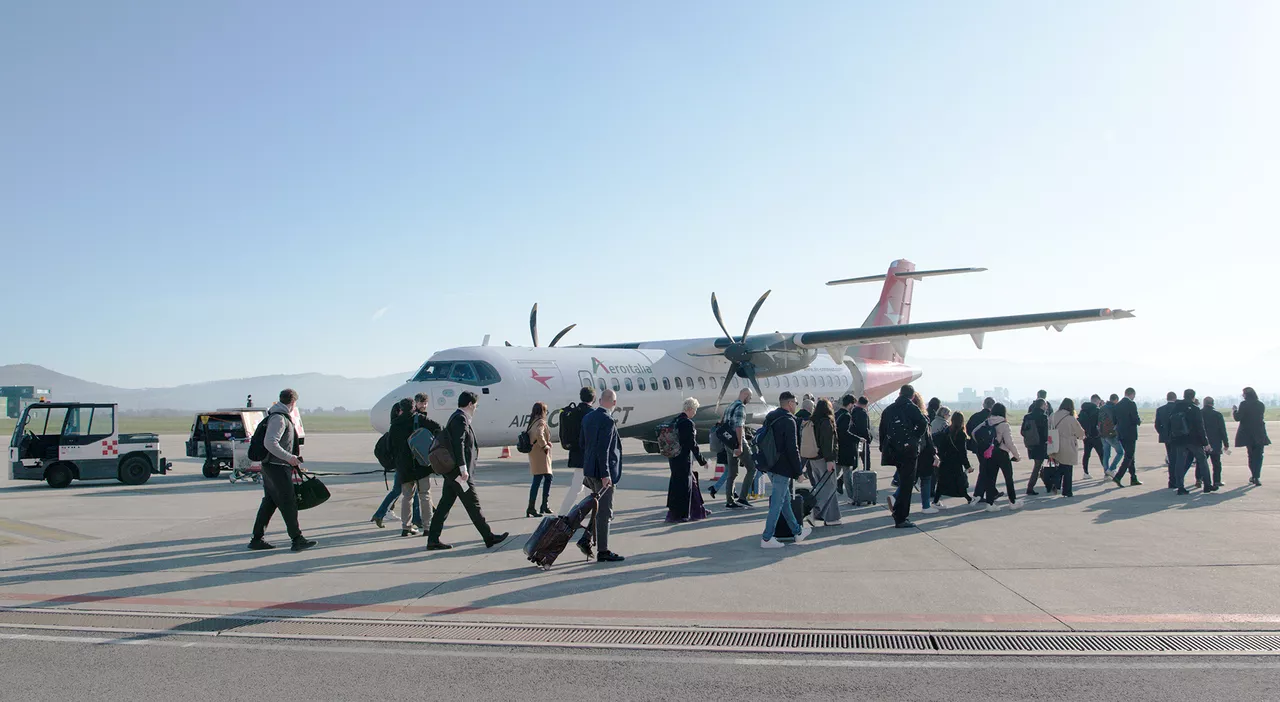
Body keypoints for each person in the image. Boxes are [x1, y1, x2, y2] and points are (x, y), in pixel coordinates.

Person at [425, 392, 508, 551]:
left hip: (453, 473)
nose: (476, 408)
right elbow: (459, 444)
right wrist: (463, 469)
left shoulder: (458, 418)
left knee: (445, 504)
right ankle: (488, 537)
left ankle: (433, 539)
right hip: (459, 474)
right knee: (472, 503)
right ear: (470, 404)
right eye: (475, 405)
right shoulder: (460, 419)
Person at [248, 389, 316, 552]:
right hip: (277, 467)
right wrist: (289, 458)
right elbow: (270, 443)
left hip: (272, 467)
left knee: (270, 502)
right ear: (293, 402)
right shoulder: (279, 418)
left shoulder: (276, 415)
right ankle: (296, 539)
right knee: (288, 502)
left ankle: (257, 538)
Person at [760, 392, 812, 548]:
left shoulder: (771, 417)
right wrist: (799, 472)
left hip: (770, 465)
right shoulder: (789, 421)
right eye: (795, 402)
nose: (796, 405)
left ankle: (797, 531)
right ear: (790, 403)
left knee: (785, 501)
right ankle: (767, 538)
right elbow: (792, 448)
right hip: (782, 468)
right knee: (777, 503)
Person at [580, 388, 624, 561]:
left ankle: (587, 539)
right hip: (602, 473)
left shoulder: (588, 417)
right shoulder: (608, 420)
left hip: (590, 470)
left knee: (596, 509)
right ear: (613, 403)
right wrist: (606, 474)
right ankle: (603, 551)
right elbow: (604, 449)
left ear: (599, 400)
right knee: (605, 512)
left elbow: (583, 444)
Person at [880, 384, 930, 528]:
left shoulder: (889, 409)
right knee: (907, 483)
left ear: (900, 393)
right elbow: (923, 423)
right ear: (912, 396)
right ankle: (901, 517)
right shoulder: (911, 408)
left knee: (903, 481)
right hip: (908, 451)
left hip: (893, 451)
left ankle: (898, 512)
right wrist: (914, 438)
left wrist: (884, 447)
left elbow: (883, 430)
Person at [371, 401, 422, 529]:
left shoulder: (394, 426)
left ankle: (379, 514)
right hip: (405, 465)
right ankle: (416, 519)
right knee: (412, 492)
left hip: (401, 465)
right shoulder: (400, 426)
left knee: (397, 491)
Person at [391, 397, 438, 537]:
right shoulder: (421, 419)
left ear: (401, 409)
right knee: (425, 495)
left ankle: (406, 527)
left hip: (404, 467)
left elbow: (391, 446)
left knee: (407, 497)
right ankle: (428, 527)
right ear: (414, 407)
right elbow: (438, 428)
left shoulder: (395, 424)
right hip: (421, 464)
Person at [667, 397, 709, 522]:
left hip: (673, 457)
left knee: (676, 484)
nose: (695, 413)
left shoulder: (675, 420)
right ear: (690, 409)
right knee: (685, 487)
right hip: (683, 459)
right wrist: (703, 461)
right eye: (695, 410)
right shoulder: (687, 423)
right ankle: (683, 514)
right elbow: (692, 444)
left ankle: (693, 510)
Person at [975, 403, 1023, 512]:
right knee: (1008, 478)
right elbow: (1009, 443)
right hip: (1002, 453)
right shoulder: (1004, 424)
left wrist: (985, 444)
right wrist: (1017, 456)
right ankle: (1013, 502)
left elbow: (974, 432)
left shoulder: (987, 421)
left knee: (991, 479)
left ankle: (990, 504)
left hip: (990, 453)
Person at [709, 388, 751, 509]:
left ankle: (730, 500)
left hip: (728, 443)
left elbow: (722, 422)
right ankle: (743, 497)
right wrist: (740, 445)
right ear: (746, 395)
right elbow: (739, 426)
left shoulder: (730, 406)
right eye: (750, 397)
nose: (750, 399)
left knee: (732, 472)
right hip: (737, 441)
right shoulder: (740, 407)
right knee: (752, 468)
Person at [557, 386, 596, 515]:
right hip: (589, 456)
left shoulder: (573, 412)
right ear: (593, 398)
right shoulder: (592, 414)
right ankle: (589, 515)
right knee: (588, 488)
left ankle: (563, 513)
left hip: (576, 455)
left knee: (577, 487)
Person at [1168, 389, 1215, 495]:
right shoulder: (1194, 408)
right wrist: (1205, 442)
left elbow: (1170, 422)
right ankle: (1207, 485)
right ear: (1193, 397)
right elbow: (1200, 427)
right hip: (1194, 440)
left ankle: (1180, 486)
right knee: (1202, 460)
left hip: (1180, 439)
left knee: (1180, 463)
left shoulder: (1176, 407)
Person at [804, 398, 842, 526]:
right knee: (830, 486)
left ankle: (832, 518)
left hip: (813, 458)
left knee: (822, 485)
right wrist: (830, 460)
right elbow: (827, 444)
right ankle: (812, 509)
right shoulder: (826, 422)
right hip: (824, 459)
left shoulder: (812, 422)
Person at [933, 410, 973, 505]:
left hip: (945, 461)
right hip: (956, 462)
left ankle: (935, 501)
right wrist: (967, 466)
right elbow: (962, 452)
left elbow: (941, 447)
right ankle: (969, 499)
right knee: (960, 483)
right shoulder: (961, 434)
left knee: (941, 483)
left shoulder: (946, 430)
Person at [1048, 398, 1085, 498]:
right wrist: (1081, 436)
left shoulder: (1054, 415)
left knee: (1062, 465)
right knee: (1068, 467)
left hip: (1055, 443)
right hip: (1068, 443)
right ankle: (1066, 490)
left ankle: (1055, 481)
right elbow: (1080, 432)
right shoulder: (1071, 418)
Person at [835, 394, 867, 507]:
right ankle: (852, 497)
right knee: (847, 474)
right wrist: (858, 439)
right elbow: (845, 433)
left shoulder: (837, 414)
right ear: (849, 404)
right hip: (846, 449)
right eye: (853, 404)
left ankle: (829, 494)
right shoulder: (847, 416)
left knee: (835, 474)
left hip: (838, 449)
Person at [1234, 387, 1270, 487]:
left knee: (1251, 455)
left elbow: (1238, 418)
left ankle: (1254, 475)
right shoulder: (1260, 404)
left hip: (1248, 434)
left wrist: (1235, 411)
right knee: (1259, 455)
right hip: (1259, 433)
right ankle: (1256, 476)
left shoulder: (1244, 404)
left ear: (1246, 395)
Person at [525, 402, 554, 518]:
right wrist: (545, 446)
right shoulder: (541, 422)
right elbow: (539, 434)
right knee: (542, 479)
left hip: (535, 454)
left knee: (543, 478)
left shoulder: (532, 421)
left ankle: (541, 505)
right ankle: (536, 506)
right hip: (541, 454)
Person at [914, 398, 941, 515]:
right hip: (924, 453)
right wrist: (934, 454)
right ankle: (926, 505)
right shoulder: (924, 418)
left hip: (911, 451)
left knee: (909, 478)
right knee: (926, 479)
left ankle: (896, 496)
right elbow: (927, 438)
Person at [966, 397, 996, 499]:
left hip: (977, 446)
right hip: (988, 448)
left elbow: (968, 428)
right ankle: (979, 494)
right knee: (985, 470)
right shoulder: (992, 417)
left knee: (984, 468)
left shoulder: (975, 416)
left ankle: (990, 492)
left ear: (983, 405)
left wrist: (975, 439)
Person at [1112, 388, 1143, 487]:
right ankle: (1118, 476)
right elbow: (1134, 418)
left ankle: (1133, 477)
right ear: (1132, 394)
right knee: (1129, 456)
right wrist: (1139, 421)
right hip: (1130, 433)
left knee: (1131, 456)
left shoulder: (1118, 405)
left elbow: (1114, 420)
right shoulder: (1131, 404)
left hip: (1121, 433)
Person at [1022, 399, 1050, 495]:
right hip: (1041, 445)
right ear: (1042, 405)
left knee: (1039, 465)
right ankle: (1030, 487)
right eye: (1045, 405)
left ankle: (1048, 485)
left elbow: (1023, 431)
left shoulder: (1027, 416)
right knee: (1037, 466)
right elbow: (1046, 433)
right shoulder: (1043, 417)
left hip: (1030, 444)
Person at [1203, 397, 1229, 489]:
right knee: (1216, 463)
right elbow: (1222, 430)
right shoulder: (1217, 414)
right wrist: (1226, 443)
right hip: (1215, 442)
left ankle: (1199, 479)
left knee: (1201, 462)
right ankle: (1216, 481)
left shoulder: (1199, 413)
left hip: (1202, 442)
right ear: (1213, 403)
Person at [1155, 391, 1179, 487]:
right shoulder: (1178, 408)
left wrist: (1163, 433)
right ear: (1175, 398)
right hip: (1177, 437)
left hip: (1166, 437)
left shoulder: (1160, 409)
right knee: (1177, 459)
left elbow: (1157, 425)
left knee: (1171, 458)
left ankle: (1171, 480)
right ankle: (1177, 480)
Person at [1099, 394, 1125, 478]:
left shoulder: (1102, 408)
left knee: (1106, 454)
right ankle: (1111, 468)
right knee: (1120, 452)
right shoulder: (1114, 408)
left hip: (1102, 434)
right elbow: (1115, 421)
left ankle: (1106, 472)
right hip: (1111, 434)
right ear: (1116, 400)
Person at [1078, 395, 1103, 477]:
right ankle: (1106, 471)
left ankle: (1085, 472)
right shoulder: (1097, 410)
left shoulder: (1083, 410)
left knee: (1086, 454)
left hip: (1086, 436)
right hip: (1096, 435)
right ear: (1097, 401)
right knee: (1101, 454)